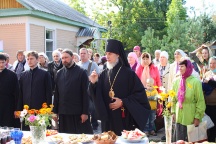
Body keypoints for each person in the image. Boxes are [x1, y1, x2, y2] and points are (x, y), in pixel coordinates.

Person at [89, 39, 151, 135]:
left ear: (118, 54)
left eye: (110, 53)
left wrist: (123, 102)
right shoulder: (103, 74)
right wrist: (93, 83)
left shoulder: (129, 74)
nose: (107, 56)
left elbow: (140, 95)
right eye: (106, 53)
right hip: (108, 119)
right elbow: (97, 95)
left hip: (124, 118)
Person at [53, 49, 93, 134]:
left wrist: (85, 112)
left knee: (80, 138)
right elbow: (57, 94)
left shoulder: (81, 72)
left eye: (66, 57)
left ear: (72, 57)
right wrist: (55, 111)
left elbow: (86, 94)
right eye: (63, 58)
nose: (64, 60)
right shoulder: (59, 73)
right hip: (63, 112)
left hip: (77, 112)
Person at [171, 59, 206, 141]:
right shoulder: (176, 81)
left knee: (191, 140)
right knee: (179, 140)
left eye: (182, 66)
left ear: (188, 68)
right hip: (179, 117)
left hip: (190, 117)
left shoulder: (195, 82)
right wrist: (173, 112)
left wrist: (197, 117)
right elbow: (173, 99)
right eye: (179, 66)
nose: (180, 68)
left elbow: (200, 101)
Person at [17, 51, 52, 117]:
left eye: (31, 59)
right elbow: (20, 93)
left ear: (37, 59)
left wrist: (48, 109)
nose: (29, 61)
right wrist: (19, 109)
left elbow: (48, 92)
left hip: (41, 108)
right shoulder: (23, 75)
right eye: (28, 59)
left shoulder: (45, 74)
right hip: (26, 109)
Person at [77, 48, 99, 130]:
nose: (82, 55)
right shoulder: (77, 64)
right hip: (80, 89)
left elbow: (99, 75)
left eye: (84, 53)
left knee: (92, 107)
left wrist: (91, 77)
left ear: (87, 54)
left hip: (89, 88)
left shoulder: (92, 64)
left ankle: (94, 123)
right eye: (81, 53)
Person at [0, 54, 19, 127]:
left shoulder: (12, 75)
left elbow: (17, 92)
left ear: (6, 62)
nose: (1, 65)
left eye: (2, 62)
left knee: (7, 126)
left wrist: (17, 108)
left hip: (8, 105)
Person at [202, 56, 216, 142]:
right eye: (210, 63)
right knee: (209, 127)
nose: (212, 65)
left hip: (215, 105)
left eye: (214, 63)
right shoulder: (207, 74)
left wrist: (209, 81)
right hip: (207, 105)